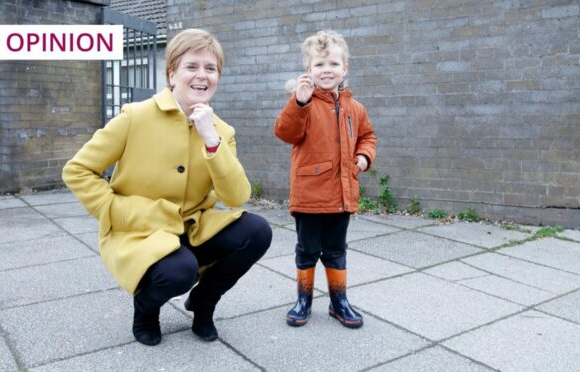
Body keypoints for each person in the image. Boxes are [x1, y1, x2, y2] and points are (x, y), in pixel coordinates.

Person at [63, 29, 271, 346]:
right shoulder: (136, 116)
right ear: (172, 73)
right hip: (139, 228)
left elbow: (236, 196)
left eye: (210, 68)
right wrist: (114, 211)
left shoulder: (221, 131)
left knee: (257, 231)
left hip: (192, 226)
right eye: (192, 66)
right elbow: (77, 169)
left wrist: (212, 142)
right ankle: (146, 309)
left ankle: (204, 302)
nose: (202, 75)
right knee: (179, 271)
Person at [274, 30, 377, 329]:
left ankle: (338, 302)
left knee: (336, 249)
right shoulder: (302, 103)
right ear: (308, 70)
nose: (326, 70)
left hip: (342, 194)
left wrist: (364, 156)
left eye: (333, 64)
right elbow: (285, 132)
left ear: (345, 68)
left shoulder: (355, 108)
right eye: (319, 65)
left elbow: (368, 136)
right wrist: (299, 103)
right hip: (309, 196)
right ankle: (303, 299)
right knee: (306, 250)